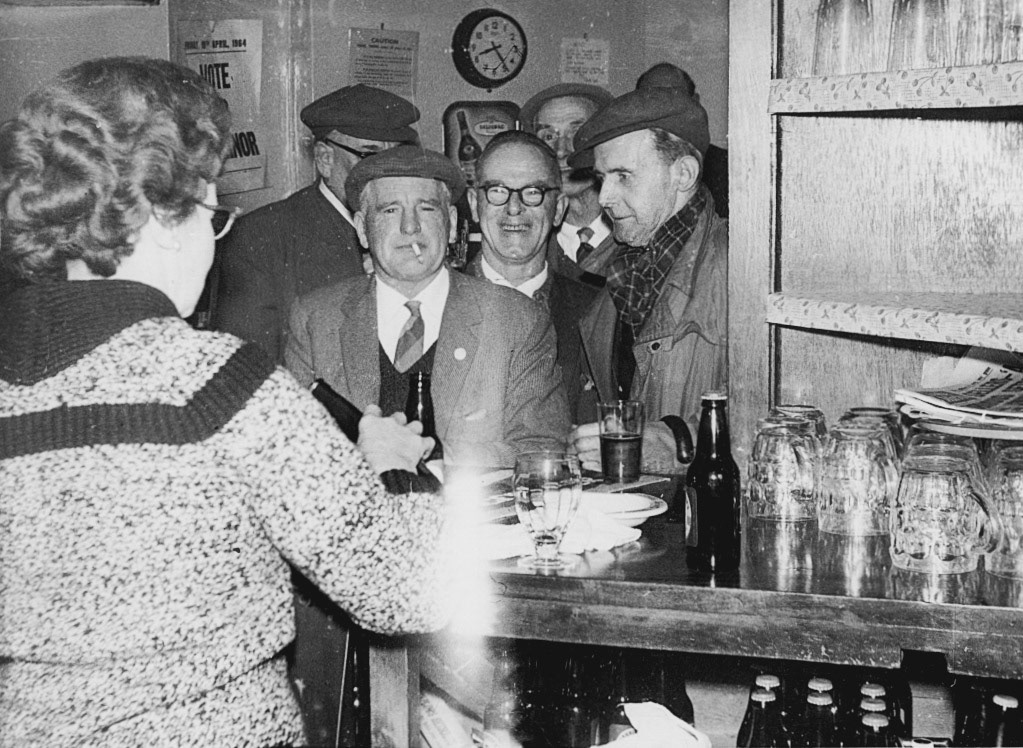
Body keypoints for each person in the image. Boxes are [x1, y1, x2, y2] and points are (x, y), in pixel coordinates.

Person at [0, 56, 458, 747]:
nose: (217, 248)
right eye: (214, 219)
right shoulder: (216, 383)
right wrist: (408, 481)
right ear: (158, 216)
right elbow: (404, 590)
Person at [286, 145, 570, 468]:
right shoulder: (315, 320)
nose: (411, 227)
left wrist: (432, 457)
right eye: (390, 210)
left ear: (450, 223)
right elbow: (291, 455)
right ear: (363, 229)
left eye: (427, 209)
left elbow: (543, 451)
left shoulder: (517, 320)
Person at [568, 87, 728, 475]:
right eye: (602, 178)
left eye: (624, 176)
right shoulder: (614, 273)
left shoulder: (741, 268)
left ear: (683, 174)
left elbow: (787, 410)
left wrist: (681, 446)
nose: (604, 197)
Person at [212, 83, 420, 363]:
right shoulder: (262, 238)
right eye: (369, 156)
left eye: (395, 156)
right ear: (325, 159)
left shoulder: (416, 230)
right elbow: (247, 371)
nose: (386, 172)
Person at [464, 130, 599, 421]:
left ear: (559, 209)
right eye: (497, 191)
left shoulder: (598, 311)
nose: (514, 208)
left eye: (533, 192)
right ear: (475, 204)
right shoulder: (434, 304)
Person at [519, 83, 626, 285]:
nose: (561, 150)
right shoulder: (528, 247)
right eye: (549, 136)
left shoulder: (637, 237)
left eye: (576, 134)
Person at [636, 62, 729, 218]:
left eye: (673, 99)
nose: (662, 110)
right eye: (651, 100)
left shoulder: (725, 170)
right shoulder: (623, 167)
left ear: (696, 103)